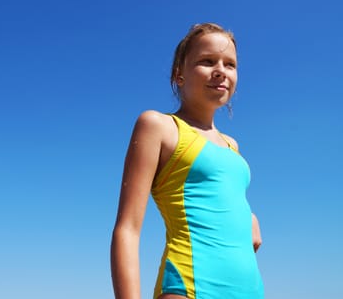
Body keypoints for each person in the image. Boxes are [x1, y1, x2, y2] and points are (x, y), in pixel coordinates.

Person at [110, 23, 264, 299]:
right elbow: (128, 229)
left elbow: (220, 197)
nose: (221, 70)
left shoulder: (233, 146)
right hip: (190, 287)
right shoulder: (159, 126)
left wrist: (249, 219)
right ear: (179, 75)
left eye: (230, 64)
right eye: (206, 61)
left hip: (250, 290)